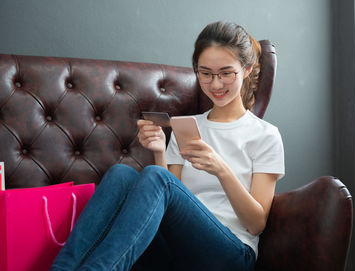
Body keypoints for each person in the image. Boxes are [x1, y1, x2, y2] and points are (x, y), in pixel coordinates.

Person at [50, 21, 285, 271]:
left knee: (157, 178)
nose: (215, 84)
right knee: (122, 174)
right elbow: (171, 202)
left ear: (246, 69)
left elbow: (257, 224)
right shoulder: (187, 126)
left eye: (226, 73)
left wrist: (221, 170)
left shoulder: (265, 135)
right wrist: (160, 150)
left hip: (231, 253)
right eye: (205, 73)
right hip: (178, 249)